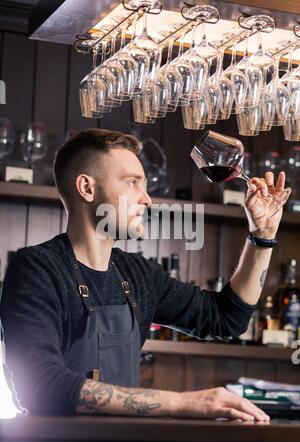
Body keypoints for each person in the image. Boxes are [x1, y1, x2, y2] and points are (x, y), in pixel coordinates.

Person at [0, 129, 291, 422]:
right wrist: (182, 403)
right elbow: (41, 386)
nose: (147, 199)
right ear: (86, 188)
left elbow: (225, 319)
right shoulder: (37, 270)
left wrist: (262, 235)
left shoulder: (138, 275)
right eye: (132, 183)